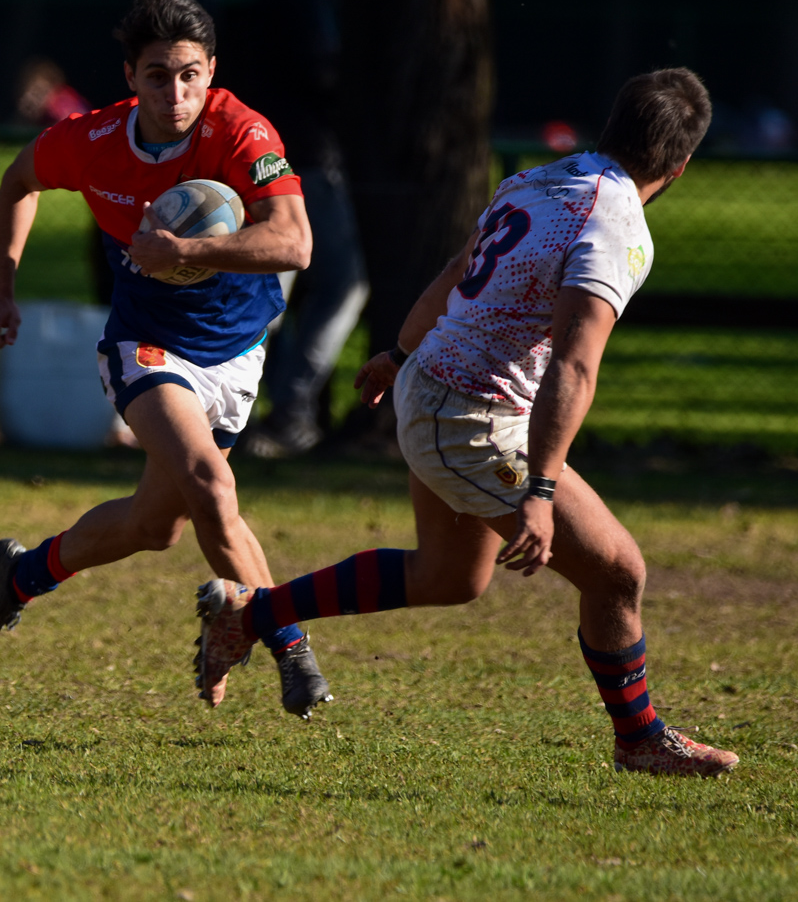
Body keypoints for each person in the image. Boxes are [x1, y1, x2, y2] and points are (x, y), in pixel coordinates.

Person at [195, 69, 740, 776]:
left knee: (449, 576)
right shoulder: (617, 227)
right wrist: (539, 491)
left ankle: (250, 613)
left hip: (437, 391)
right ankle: (638, 737)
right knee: (617, 573)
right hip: (470, 417)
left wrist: (397, 350)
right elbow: (574, 366)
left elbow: (458, 268)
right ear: (680, 165)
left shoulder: (539, 181)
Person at [0, 0, 333, 719]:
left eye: (190, 72)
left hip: (236, 347)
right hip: (145, 344)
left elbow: (295, 241)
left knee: (152, 525)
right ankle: (293, 649)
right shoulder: (92, 140)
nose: (177, 91)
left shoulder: (241, 132)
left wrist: (185, 248)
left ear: (211, 70)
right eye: (157, 74)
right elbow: (18, 180)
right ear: (130, 76)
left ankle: (20, 575)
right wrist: (1, 290)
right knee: (213, 486)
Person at [216, 0, 367, 457]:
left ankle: (230, 408)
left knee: (265, 289)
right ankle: (292, 407)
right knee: (342, 283)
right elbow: (319, 75)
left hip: (245, 157)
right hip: (303, 159)